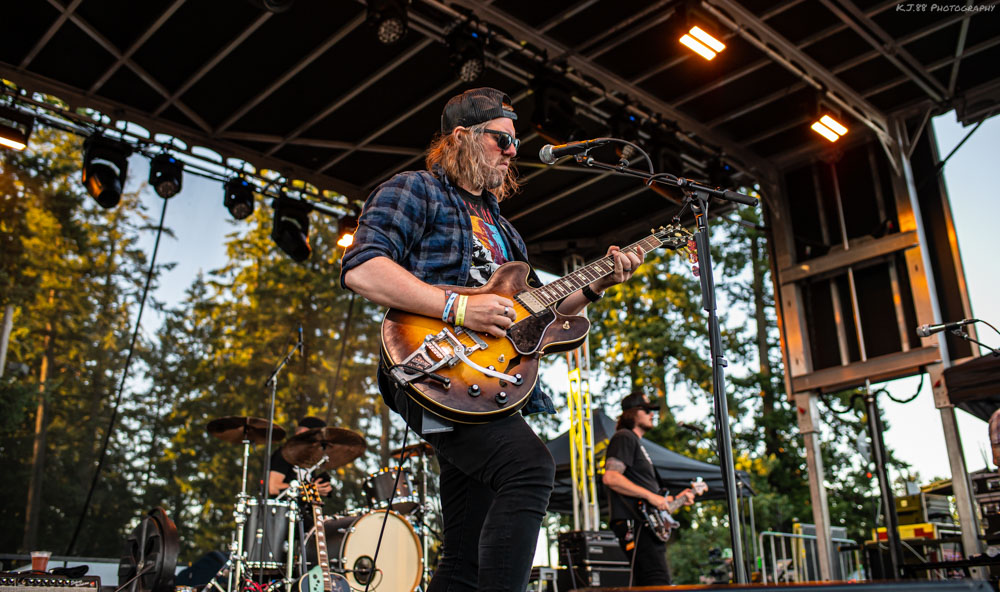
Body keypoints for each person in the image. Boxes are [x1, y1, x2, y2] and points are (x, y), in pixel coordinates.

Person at [341, 87, 645, 592]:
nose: (512, 151)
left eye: (515, 142)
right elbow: (362, 268)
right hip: (433, 364)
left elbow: (544, 313)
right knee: (530, 468)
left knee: (465, 557)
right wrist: (459, 307)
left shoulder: (505, 230)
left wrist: (598, 283)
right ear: (462, 137)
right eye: (502, 140)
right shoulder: (415, 190)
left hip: (488, 381)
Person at [603, 392, 694, 586]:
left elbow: (658, 502)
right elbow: (611, 477)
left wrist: (678, 499)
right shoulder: (624, 437)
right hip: (637, 524)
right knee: (657, 582)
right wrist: (651, 497)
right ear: (632, 413)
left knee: (651, 582)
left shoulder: (638, 443)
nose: (652, 414)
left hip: (648, 524)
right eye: (647, 410)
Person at [268, 416, 333, 498]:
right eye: (317, 439)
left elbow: (309, 491)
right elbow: (273, 487)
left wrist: (321, 489)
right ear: (302, 433)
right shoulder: (284, 454)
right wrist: (309, 489)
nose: (318, 445)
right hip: (284, 505)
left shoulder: (309, 460)